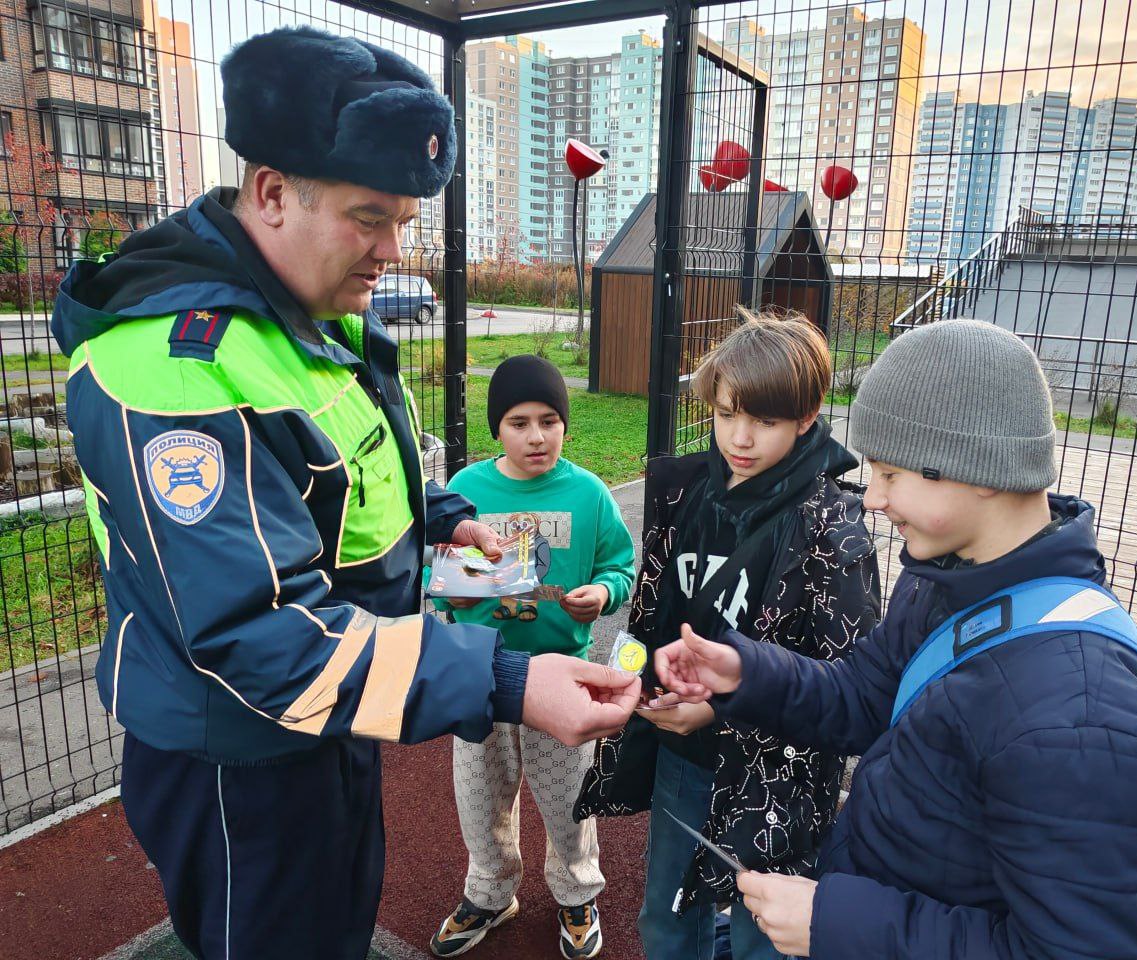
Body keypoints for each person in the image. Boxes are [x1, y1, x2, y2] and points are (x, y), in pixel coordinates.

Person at [51, 26, 638, 960]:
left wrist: (448, 516)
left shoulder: (311, 317)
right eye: (371, 218)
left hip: (342, 711)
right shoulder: (176, 367)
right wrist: (508, 681)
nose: (392, 252)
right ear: (274, 193)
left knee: (336, 923)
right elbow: (261, 633)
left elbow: (359, 468)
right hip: (241, 752)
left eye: (403, 222)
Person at [655, 319, 1137, 959]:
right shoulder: (947, 578)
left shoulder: (1082, 717)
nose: (872, 498)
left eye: (891, 473)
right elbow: (865, 695)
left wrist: (841, 922)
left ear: (978, 468)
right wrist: (746, 672)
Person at [575, 312, 882, 960]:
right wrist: (630, 679)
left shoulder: (834, 526)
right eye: (726, 413)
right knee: (666, 916)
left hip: (778, 778)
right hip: (682, 758)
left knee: (763, 935)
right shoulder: (685, 493)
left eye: (765, 420)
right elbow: (652, 612)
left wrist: (717, 707)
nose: (740, 437)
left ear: (807, 416)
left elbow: (849, 683)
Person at [428, 356, 637, 960]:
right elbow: (432, 568)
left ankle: (576, 892)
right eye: (519, 422)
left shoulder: (589, 494)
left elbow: (619, 565)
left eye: (549, 420)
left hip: (559, 682)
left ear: (565, 425)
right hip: (478, 677)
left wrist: (603, 593)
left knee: (570, 799)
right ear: (498, 428)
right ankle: (490, 892)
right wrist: (459, 581)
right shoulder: (465, 491)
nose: (536, 436)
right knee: (480, 797)